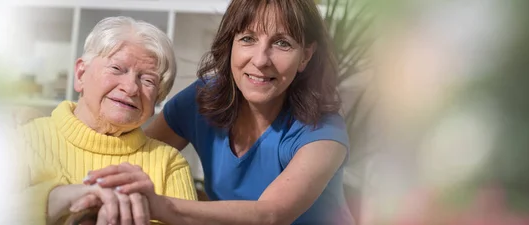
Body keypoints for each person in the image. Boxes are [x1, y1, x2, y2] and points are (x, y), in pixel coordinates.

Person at [78, 0, 354, 224]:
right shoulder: (203, 97)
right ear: (230, 44)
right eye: (247, 38)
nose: (260, 60)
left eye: (282, 43)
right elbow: (137, 154)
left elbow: (271, 215)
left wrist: (160, 206)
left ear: (305, 56)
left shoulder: (323, 130)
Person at [16, 16, 197, 225]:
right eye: (117, 69)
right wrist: (53, 199)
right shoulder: (23, 140)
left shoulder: (169, 163)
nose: (130, 88)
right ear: (81, 73)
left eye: (147, 80)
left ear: (158, 97)